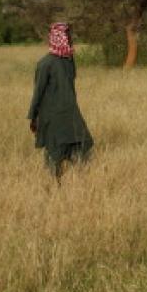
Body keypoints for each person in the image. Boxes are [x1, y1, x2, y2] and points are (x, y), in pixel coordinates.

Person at [28, 23, 93, 180]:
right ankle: (55, 184)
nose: (70, 39)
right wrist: (33, 115)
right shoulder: (48, 63)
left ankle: (72, 181)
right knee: (61, 147)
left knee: (79, 143)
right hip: (54, 113)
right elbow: (39, 93)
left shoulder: (67, 61)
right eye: (67, 36)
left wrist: (32, 117)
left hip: (68, 111)